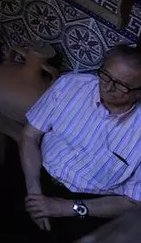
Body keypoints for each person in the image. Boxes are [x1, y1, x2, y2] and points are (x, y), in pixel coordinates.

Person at [20, 44, 141, 236]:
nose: (108, 87)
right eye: (106, 75)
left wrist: (67, 208)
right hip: (36, 173)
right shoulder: (70, 85)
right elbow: (30, 135)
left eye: (122, 85)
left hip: (90, 206)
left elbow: (134, 201)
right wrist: (34, 193)